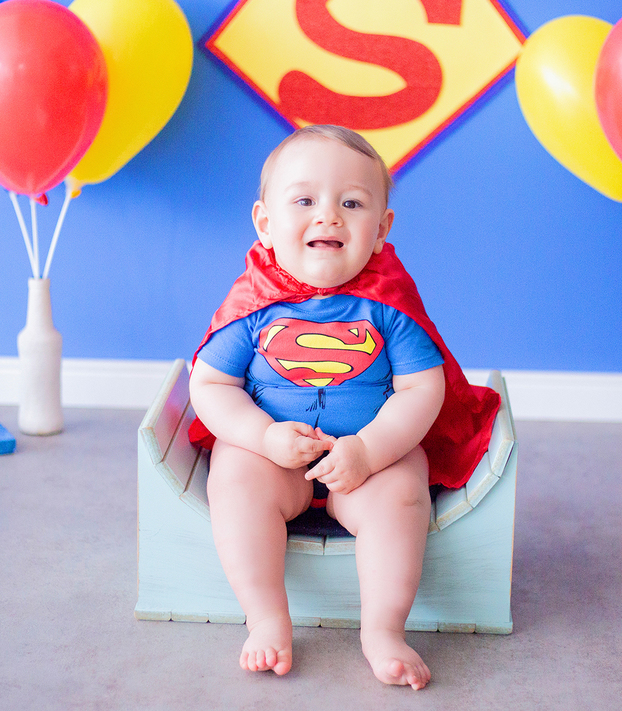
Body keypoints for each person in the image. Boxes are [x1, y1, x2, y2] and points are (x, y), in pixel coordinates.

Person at [187, 125, 499, 689]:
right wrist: (262, 436)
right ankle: (266, 617)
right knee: (234, 481)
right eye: (305, 200)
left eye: (351, 203)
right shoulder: (251, 301)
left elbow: (422, 392)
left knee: (402, 496)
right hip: (275, 456)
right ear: (264, 222)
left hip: (370, 458)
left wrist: (370, 449)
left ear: (381, 229)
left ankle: (383, 629)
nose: (328, 216)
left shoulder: (389, 303)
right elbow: (209, 386)